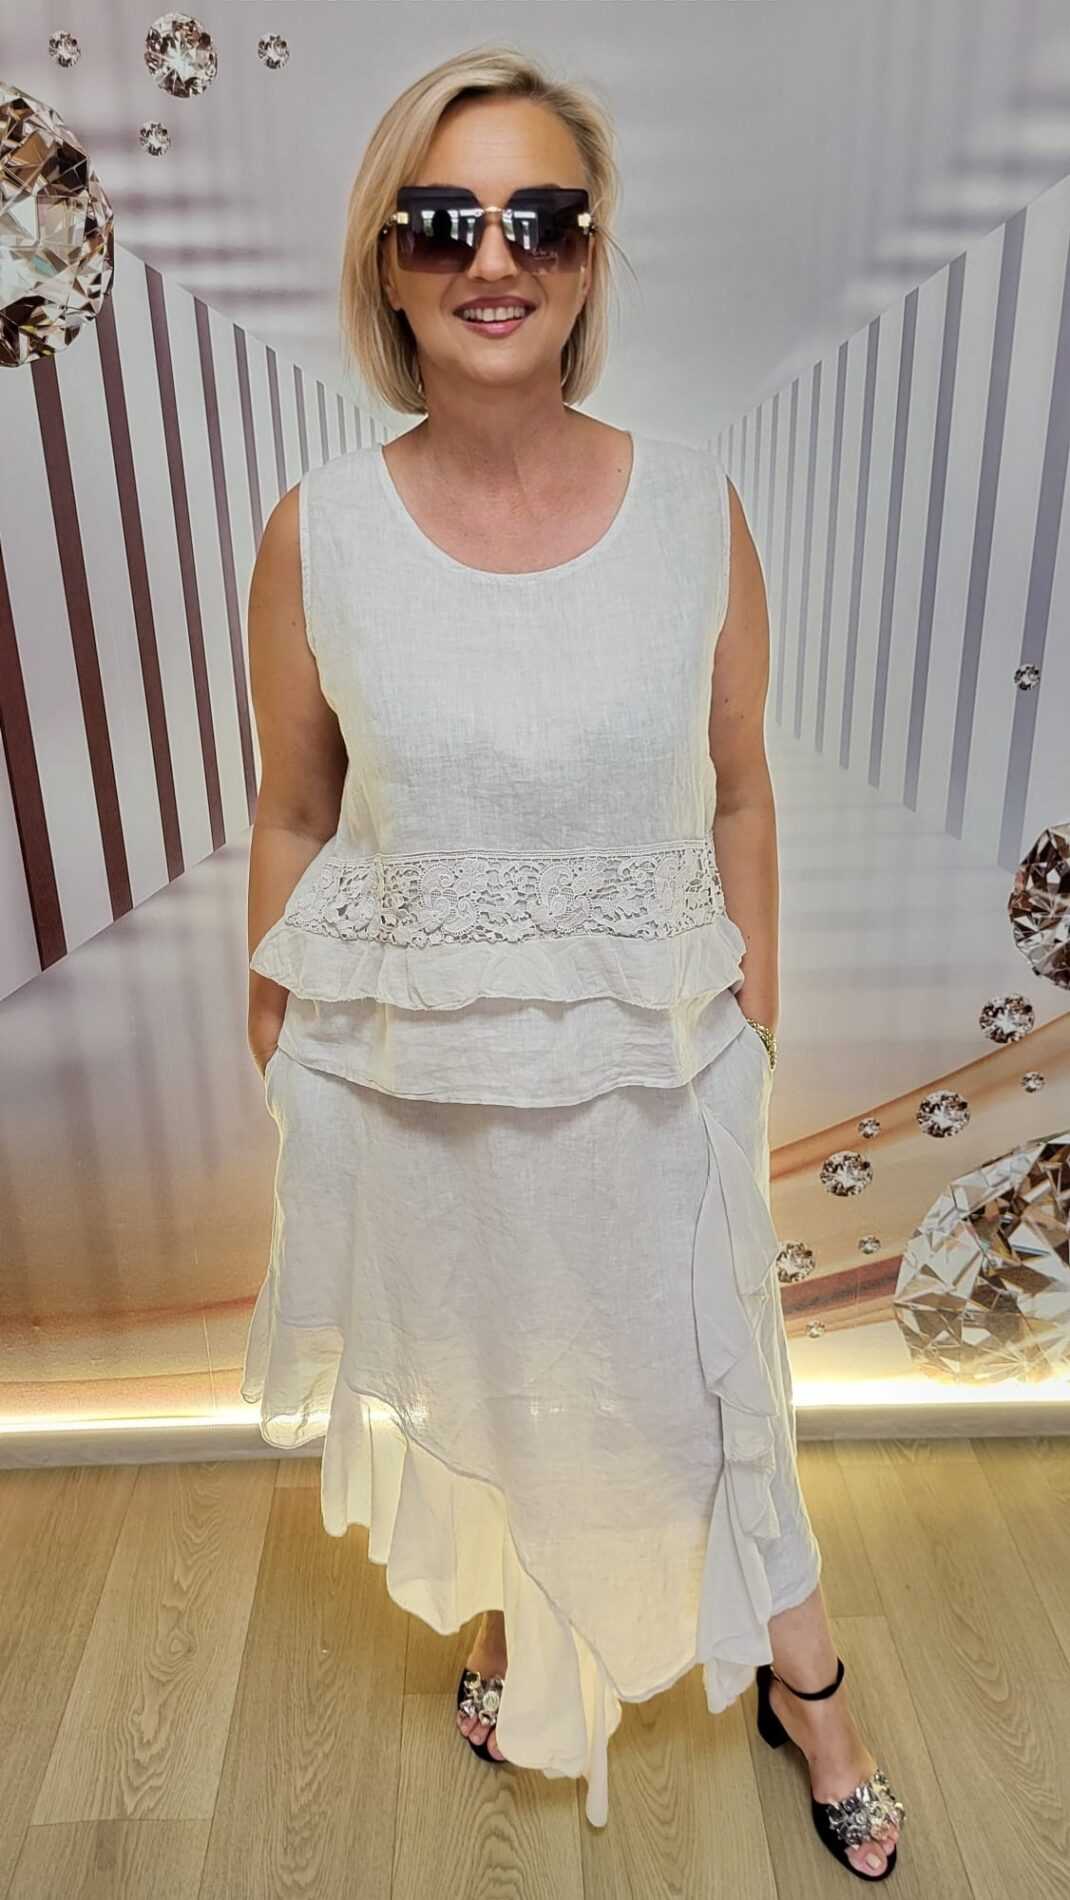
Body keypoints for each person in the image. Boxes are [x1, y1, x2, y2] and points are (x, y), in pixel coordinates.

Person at [241, 45, 905, 1877]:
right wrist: (271, 1019)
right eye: (442, 221)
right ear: (386, 263)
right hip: (418, 1073)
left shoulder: (694, 508)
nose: (493, 258)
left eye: (539, 218)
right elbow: (292, 807)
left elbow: (740, 787)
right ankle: (519, 1613)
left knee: (710, 1383)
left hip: (656, 1054)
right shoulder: (318, 532)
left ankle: (806, 1683)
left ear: (590, 256)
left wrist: (753, 1008)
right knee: (488, 1360)